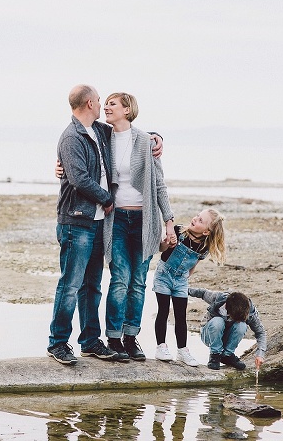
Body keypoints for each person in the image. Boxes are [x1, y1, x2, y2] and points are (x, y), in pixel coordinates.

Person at [48, 84, 162, 366]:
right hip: (77, 221)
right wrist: (108, 198)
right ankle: (58, 343)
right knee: (70, 285)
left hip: (99, 223)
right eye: (100, 101)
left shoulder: (99, 131)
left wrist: (157, 138)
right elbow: (79, 179)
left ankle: (89, 342)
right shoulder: (71, 136)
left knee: (92, 286)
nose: (102, 105)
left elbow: (131, 134)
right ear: (89, 103)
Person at [101, 92, 175, 362]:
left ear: (127, 109)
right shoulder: (102, 137)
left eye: (112, 104)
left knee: (138, 283)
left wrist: (169, 222)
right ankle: (113, 337)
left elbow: (159, 184)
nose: (106, 107)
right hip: (116, 220)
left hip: (145, 222)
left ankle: (131, 338)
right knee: (120, 279)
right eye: (105, 103)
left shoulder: (145, 141)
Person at [152, 208, 226, 366]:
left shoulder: (203, 248)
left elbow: (193, 265)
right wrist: (167, 243)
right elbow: (161, 249)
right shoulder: (179, 231)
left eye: (200, 220)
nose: (195, 219)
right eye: (197, 216)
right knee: (163, 311)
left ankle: (182, 350)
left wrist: (185, 278)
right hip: (163, 275)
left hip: (180, 281)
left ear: (207, 232)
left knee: (180, 316)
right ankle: (161, 347)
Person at [187, 287, 267, 371]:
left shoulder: (250, 311)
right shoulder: (218, 298)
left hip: (228, 337)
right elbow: (201, 293)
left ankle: (227, 355)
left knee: (242, 325)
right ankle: (215, 355)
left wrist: (260, 355)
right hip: (210, 335)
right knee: (218, 321)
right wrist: (184, 290)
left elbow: (261, 333)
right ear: (226, 308)